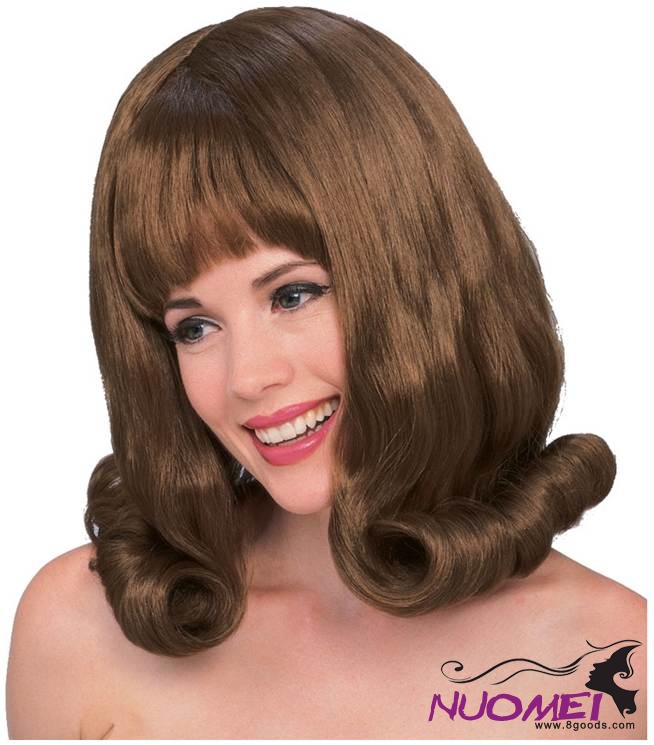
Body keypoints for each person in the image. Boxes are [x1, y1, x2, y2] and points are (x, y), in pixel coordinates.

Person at [6, 6, 646, 739]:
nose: (248, 377)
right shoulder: (81, 632)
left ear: (425, 272)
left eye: (292, 295)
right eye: (195, 327)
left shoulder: (611, 660)